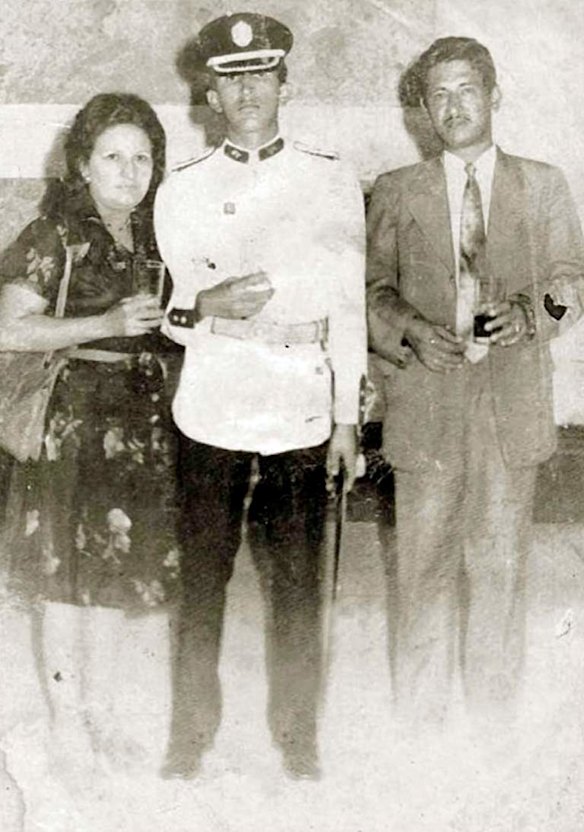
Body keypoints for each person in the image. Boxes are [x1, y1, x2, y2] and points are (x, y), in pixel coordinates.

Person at [155, 12, 366, 780]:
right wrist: (204, 307)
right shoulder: (182, 190)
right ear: (210, 93)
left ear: (284, 83)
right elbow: (175, 314)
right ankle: (190, 735)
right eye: (230, 78)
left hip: (301, 409)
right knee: (201, 580)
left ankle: (297, 735)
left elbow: (348, 307)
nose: (246, 90)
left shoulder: (330, 177)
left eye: (260, 74)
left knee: (297, 584)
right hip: (213, 403)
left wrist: (346, 421)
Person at [366, 37, 584, 730]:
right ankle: (419, 738)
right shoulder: (397, 190)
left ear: (494, 95)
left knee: (499, 577)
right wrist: (407, 328)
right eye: (439, 95)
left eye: (465, 89)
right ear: (423, 110)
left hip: (508, 411)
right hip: (425, 408)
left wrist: (529, 316)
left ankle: (490, 737)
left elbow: (570, 285)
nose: (452, 105)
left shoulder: (543, 183)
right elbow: (368, 290)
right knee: (421, 575)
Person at [0, 93, 181, 780]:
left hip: (139, 423)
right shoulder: (55, 235)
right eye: (114, 156)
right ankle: (66, 726)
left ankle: (100, 714)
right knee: (61, 581)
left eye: (143, 157)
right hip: (72, 425)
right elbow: (8, 328)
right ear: (83, 164)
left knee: (114, 572)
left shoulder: (161, 234)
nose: (131, 171)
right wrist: (104, 323)